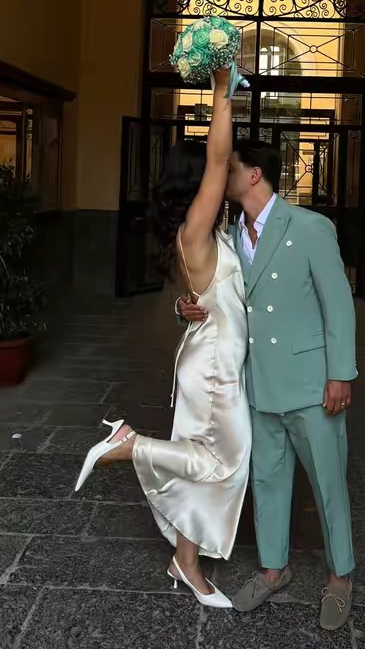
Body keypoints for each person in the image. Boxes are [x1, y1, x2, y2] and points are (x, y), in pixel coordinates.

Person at [75, 67, 251, 609]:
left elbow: (206, 296)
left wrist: (183, 307)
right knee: (226, 460)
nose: (226, 174)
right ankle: (131, 444)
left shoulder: (205, 233)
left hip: (209, 357)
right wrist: (220, 92)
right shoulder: (196, 230)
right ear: (199, 181)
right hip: (214, 368)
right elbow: (219, 160)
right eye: (216, 173)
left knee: (204, 461)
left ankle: (185, 562)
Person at [177, 140, 358, 631]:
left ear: (255, 174)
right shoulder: (228, 237)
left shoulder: (310, 226)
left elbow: (338, 304)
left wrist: (341, 373)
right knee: (268, 481)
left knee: (327, 483)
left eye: (229, 167)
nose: (221, 175)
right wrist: (183, 307)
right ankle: (273, 570)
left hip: (311, 382)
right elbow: (211, 294)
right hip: (256, 382)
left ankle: (340, 577)